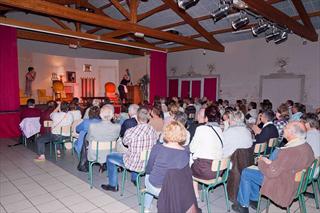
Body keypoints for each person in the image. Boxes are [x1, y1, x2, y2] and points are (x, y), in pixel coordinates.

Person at [232, 121, 314, 213]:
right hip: (296, 183)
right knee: (252, 172)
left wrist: (261, 162)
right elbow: (286, 165)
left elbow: (272, 173)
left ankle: (243, 205)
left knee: (247, 172)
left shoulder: (289, 151)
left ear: (292, 133)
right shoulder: (306, 147)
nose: (283, 129)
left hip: (282, 184)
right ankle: (254, 199)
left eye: (286, 128)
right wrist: (270, 162)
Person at [101, 107, 158, 192]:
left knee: (110, 157)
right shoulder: (153, 130)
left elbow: (125, 142)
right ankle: (134, 178)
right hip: (147, 163)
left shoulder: (131, 131)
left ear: (137, 118)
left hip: (133, 162)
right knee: (138, 153)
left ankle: (113, 185)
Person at [143, 121, 190, 211]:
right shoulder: (186, 152)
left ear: (165, 133)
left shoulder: (157, 148)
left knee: (148, 176)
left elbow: (148, 169)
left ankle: (146, 208)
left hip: (155, 187)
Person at [190, 105, 224, 199]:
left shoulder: (201, 129)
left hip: (205, 170)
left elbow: (192, 148)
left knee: (190, 158)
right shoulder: (220, 130)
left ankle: (195, 193)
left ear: (206, 118)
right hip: (218, 170)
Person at [86, 104, 120, 172]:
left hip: (95, 154)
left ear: (100, 115)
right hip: (111, 152)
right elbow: (116, 138)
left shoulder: (92, 126)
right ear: (112, 116)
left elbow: (88, 138)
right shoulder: (117, 126)